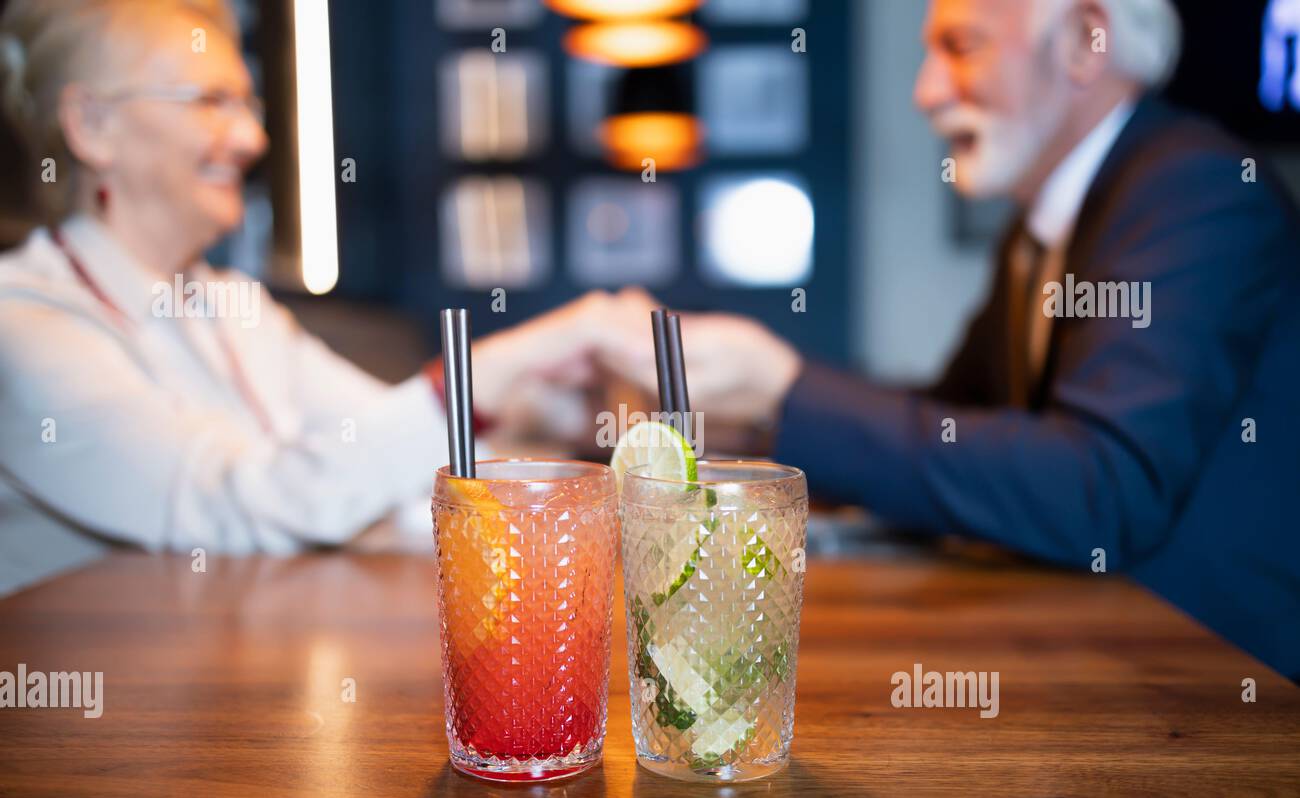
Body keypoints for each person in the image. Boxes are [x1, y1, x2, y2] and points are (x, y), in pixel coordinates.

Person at [612, 0, 1300, 679]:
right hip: (1111, 672)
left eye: (962, 46)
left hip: (1229, 708)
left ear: (1086, 41)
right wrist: (749, 409)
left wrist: (786, 388)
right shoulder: (1050, 226)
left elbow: (1103, 489)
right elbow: (952, 426)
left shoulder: (1196, 189)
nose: (925, 91)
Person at [0, 0, 626, 594]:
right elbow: (234, 508)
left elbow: (390, 456)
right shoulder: (21, 324)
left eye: (247, 104)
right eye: (212, 100)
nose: (251, 138)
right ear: (92, 125)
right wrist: (506, 365)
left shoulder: (233, 306)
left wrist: (577, 484)